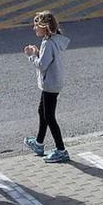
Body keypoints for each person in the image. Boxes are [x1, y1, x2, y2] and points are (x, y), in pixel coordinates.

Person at [23, 11, 71, 163]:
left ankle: (61, 150)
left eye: (36, 25)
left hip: (50, 84)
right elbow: (48, 59)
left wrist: (31, 55)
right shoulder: (55, 39)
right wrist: (38, 52)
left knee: (49, 116)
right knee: (42, 111)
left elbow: (42, 65)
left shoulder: (47, 42)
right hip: (54, 82)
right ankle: (39, 143)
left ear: (45, 27)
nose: (34, 28)